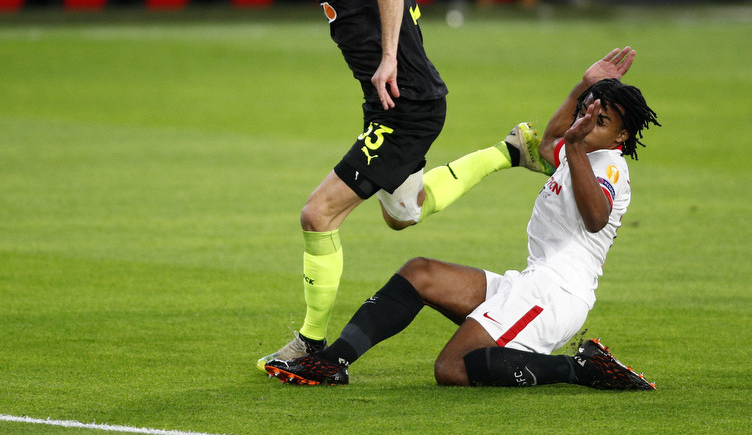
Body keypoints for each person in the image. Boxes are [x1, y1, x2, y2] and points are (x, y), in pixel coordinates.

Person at [257, 0, 551, 372]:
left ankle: (310, 344)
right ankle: (510, 151)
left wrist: (389, 57)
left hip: (405, 107)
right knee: (403, 212)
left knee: (318, 215)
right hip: (398, 104)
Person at [265, 47, 661, 390]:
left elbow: (596, 218)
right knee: (420, 273)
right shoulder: (580, 151)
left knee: (452, 368)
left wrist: (574, 144)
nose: (586, 126)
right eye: (585, 116)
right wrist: (583, 86)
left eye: (600, 123)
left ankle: (581, 368)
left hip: (556, 295)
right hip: (532, 282)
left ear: (621, 138)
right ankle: (331, 363)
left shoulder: (609, 165)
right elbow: (547, 145)